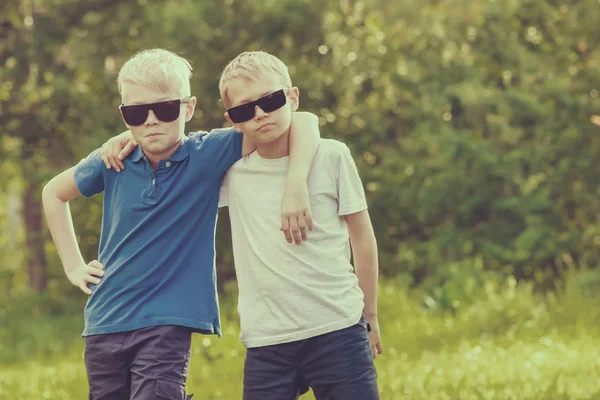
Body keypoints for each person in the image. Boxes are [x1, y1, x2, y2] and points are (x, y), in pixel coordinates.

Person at [42, 48, 320, 400]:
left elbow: (301, 120)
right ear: (124, 115)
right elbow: (53, 193)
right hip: (103, 322)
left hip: (166, 322)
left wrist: (296, 183)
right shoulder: (112, 160)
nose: (151, 121)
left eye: (165, 109)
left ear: (188, 108)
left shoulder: (207, 153)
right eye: (137, 113)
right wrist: (73, 267)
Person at [105, 50, 383, 400]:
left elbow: (362, 237)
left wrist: (369, 314)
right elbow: (178, 154)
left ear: (292, 97)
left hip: (338, 327)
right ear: (232, 119)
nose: (261, 114)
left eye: (271, 100)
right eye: (244, 110)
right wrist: (133, 138)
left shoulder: (332, 156)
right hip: (268, 341)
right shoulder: (230, 172)